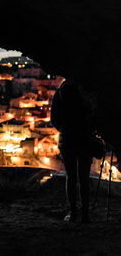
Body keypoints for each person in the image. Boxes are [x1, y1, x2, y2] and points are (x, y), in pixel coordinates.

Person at [51, 80, 97, 223]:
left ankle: (73, 213)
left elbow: (54, 119)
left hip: (67, 140)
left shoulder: (60, 92)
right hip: (85, 139)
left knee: (70, 178)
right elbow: (95, 114)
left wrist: (65, 130)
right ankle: (85, 215)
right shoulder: (86, 91)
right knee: (84, 178)